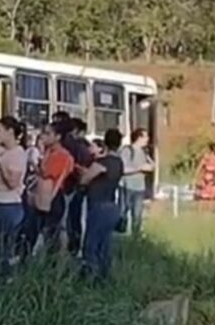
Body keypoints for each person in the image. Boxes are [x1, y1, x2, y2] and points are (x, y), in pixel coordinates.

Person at [23, 122, 74, 253]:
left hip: (52, 197)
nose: (43, 136)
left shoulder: (61, 155)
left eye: (47, 133)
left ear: (57, 137)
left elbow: (48, 174)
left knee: (50, 234)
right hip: (42, 196)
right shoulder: (49, 152)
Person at [79, 128, 123, 279]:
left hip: (98, 205)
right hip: (112, 205)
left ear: (105, 142)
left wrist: (83, 173)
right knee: (105, 245)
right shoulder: (119, 162)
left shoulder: (102, 162)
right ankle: (106, 277)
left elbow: (85, 179)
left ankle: (91, 277)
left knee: (91, 244)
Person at [0, 116, 27, 276]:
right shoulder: (2, 150)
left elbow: (13, 182)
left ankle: (4, 279)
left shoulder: (17, 153)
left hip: (8, 204)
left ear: (10, 132)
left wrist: (0, 164)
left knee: (3, 247)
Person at [60, 118, 91, 256]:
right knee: (74, 219)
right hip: (75, 186)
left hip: (63, 186)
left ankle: (64, 249)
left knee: (64, 221)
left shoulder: (63, 144)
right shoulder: (81, 147)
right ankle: (74, 248)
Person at [119, 128, 155, 235]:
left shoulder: (144, 152)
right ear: (139, 138)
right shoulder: (127, 150)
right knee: (123, 213)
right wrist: (140, 168)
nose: (148, 139)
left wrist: (150, 165)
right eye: (145, 136)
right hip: (127, 186)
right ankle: (120, 235)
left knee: (138, 216)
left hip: (140, 188)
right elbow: (123, 169)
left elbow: (152, 166)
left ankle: (136, 237)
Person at [193, 143, 215, 207]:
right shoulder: (210, 157)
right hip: (208, 177)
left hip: (212, 178)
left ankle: (208, 210)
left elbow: (199, 167)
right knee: (205, 194)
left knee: (210, 195)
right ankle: (204, 210)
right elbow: (200, 167)